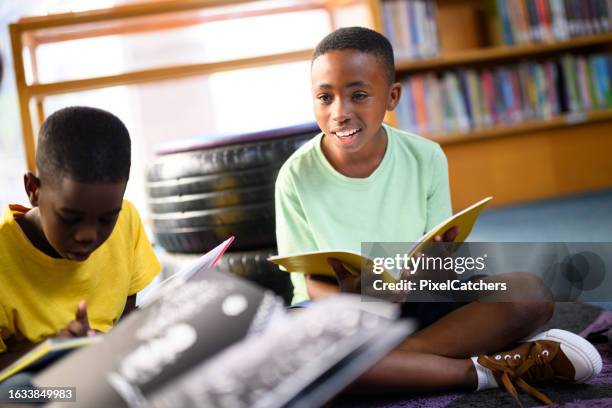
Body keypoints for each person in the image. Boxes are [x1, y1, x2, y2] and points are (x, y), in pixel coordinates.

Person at [274, 27, 601, 405]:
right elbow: (309, 282)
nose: (340, 112)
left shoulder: (426, 156)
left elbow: (440, 261)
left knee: (528, 294)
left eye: (359, 95)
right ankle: (485, 369)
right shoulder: (295, 175)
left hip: (417, 301)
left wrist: (431, 272)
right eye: (324, 97)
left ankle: (388, 363)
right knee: (295, 357)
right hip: (337, 314)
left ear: (391, 96)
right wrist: (351, 298)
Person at [0, 106, 161, 369]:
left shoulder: (126, 220)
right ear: (33, 190)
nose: (88, 235)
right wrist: (48, 351)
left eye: (106, 219)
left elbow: (126, 318)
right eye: (70, 218)